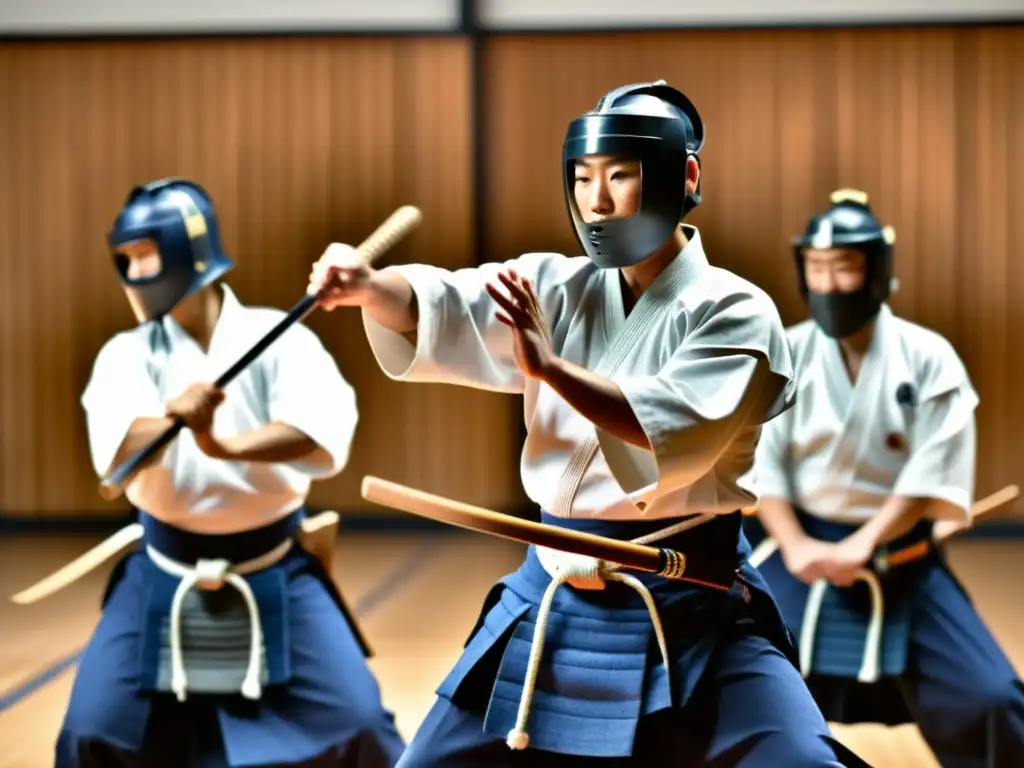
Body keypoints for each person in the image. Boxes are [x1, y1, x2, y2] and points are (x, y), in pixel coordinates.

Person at [307, 81, 867, 766]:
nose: (595, 201)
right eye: (582, 178)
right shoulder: (555, 283)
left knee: (801, 762)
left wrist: (550, 370)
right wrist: (370, 286)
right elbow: (444, 304)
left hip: (688, 594)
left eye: (621, 177)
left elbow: (670, 432)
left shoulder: (735, 310)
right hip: (551, 585)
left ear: (683, 176)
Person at [56, 178, 406, 767]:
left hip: (276, 565)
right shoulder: (125, 353)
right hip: (160, 569)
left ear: (186, 250)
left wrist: (224, 446)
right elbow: (116, 450)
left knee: (361, 724)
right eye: (126, 257)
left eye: (145, 253)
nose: (133, 269)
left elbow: (318, 435)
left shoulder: (281, 339)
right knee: (89, 730)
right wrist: (169, 414)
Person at [748, 188, 1024, 766]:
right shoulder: (785, 354)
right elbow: (761, 464)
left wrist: (865, 544)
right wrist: (798, 546)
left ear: (876, 273)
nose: (827, 283)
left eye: (843, 268)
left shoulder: (928, 357)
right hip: (798, 552)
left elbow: (931, 474)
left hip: (900, 557)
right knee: (740, 687)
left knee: (990, 699)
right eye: (816, 269)